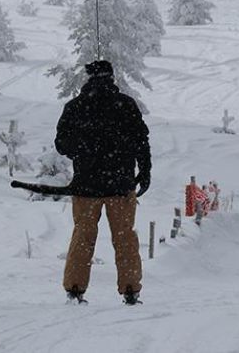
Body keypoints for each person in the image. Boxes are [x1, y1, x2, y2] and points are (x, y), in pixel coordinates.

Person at [55, 60, 151, 306]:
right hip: (120, 185)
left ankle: (75, 290)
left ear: (88, 78)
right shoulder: (126, 105)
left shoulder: (75, 107)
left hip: (86, 186)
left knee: (83, 236)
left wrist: (85, 149)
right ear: (112, 78)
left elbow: (62, 145)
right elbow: (142, 141)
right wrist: (145, 170)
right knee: (124, 237)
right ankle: (130, 290)